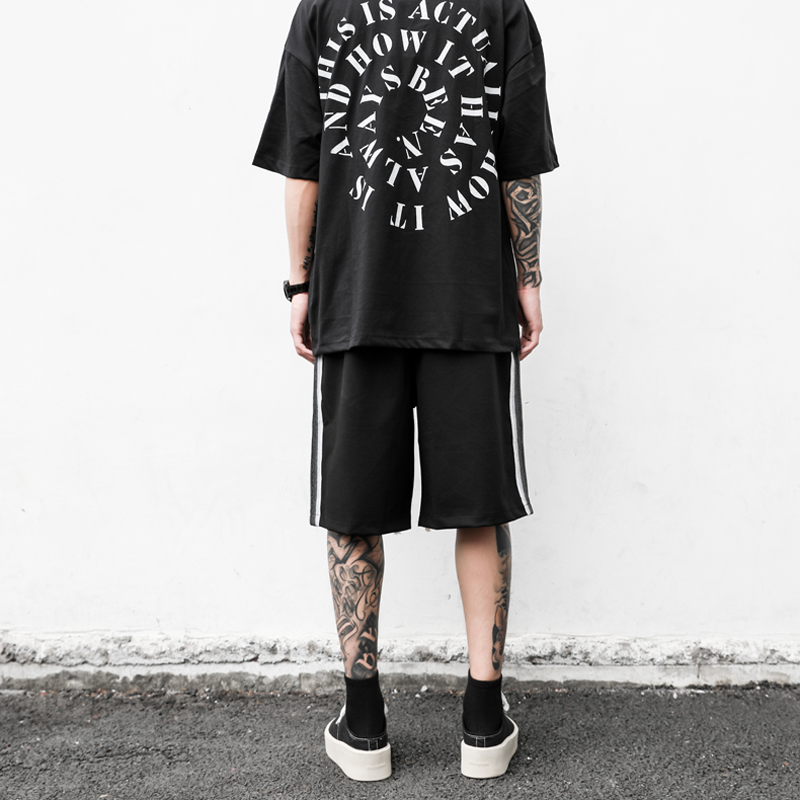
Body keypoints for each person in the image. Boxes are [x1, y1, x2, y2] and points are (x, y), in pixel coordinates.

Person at [253, 0, 558, 781]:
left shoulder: (323, 9)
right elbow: (518, 160)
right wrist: (528, 280)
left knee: (353, 510)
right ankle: (483, 721)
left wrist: (299, 283)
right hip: (470, 297)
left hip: (356, 297)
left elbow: (303, 162)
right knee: (480, 507)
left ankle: (363, 726)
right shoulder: (501, 8)